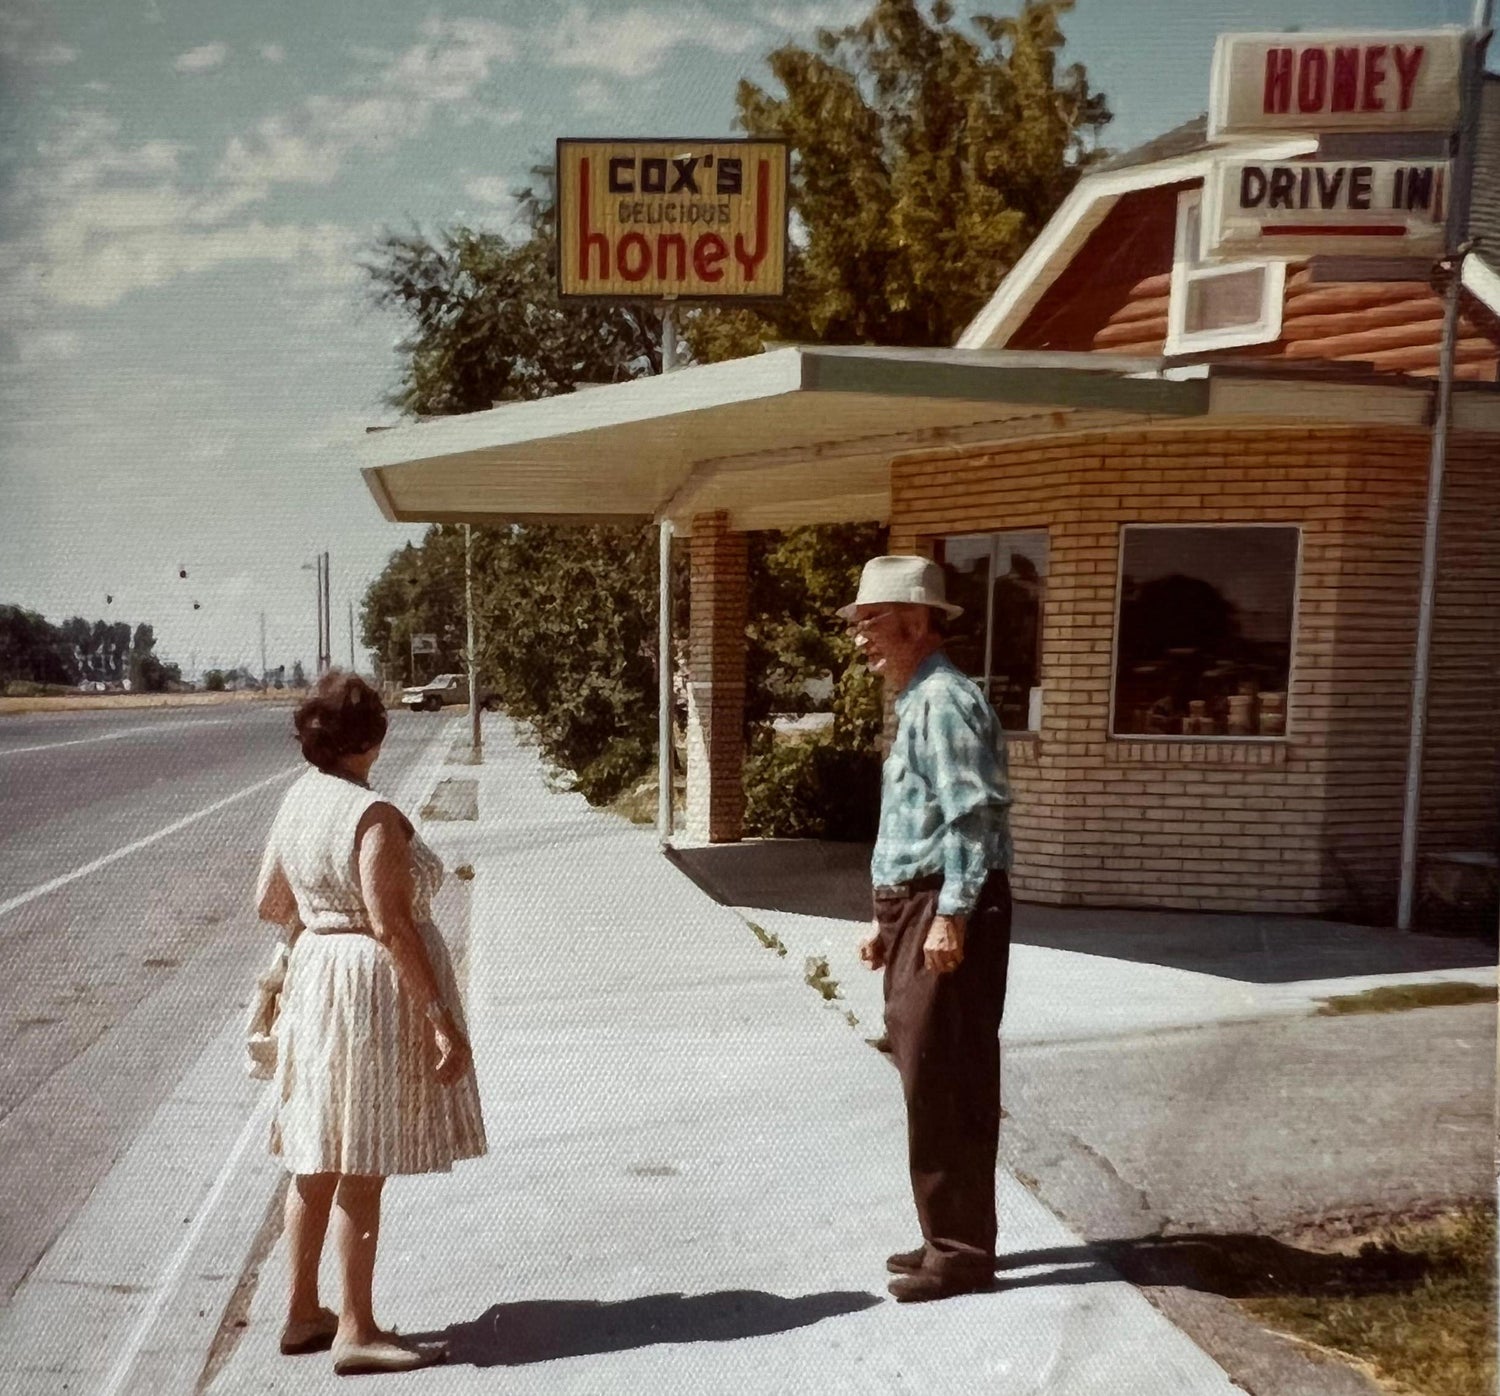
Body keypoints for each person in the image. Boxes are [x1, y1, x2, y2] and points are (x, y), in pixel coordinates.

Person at [255, 670, 487, 1374]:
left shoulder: (297, 799)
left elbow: (269, 900)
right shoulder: (373, 813)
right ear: (373, 740)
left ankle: (301, 1313)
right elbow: (391, 924)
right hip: (367, 986)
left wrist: (322, 929)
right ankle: (356, 1329)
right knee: (361, 1157)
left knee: (316, 1151)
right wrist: (440, 1017)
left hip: (317, 974)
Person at [837, 555, 1014, 1303]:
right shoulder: (920, 700)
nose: (859, 640)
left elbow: (974, 816)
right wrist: (886, 920)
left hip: (947, 902)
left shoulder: (944, 701)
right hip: (921, 905)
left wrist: (951, 913)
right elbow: (916, 820)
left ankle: (961, 1250)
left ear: (915, 621)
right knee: (930, 1072)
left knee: (946, 1076)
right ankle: (948, 1231)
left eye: (871, 622)